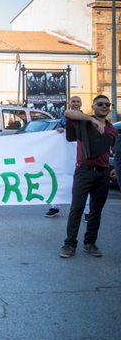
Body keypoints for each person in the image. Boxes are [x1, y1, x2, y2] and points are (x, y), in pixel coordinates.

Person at [59, 94, 117, 258]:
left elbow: (107, 148)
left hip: (102, 173)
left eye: (107, 104)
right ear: (93, 106)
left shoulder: (111, 129)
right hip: (84, 171)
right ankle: (69, 244)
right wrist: (92, 120)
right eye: (100, 104)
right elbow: (67, 113)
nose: (104, 107)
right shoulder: (85, 121)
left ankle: (90, 243)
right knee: (76, 209)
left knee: (95, 211)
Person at [46, 95, 83, 218]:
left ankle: (87, 212)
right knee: (61, 179)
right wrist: (60, 130)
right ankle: (55, 207)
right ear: (69, 103)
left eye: (78, 101)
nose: (76, 103)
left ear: (81, 104)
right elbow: (56, 134)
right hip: (67, 155)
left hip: (83, 155)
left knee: (83, 183)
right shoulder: (63, 119)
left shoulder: (86, 119)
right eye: (73, 101)